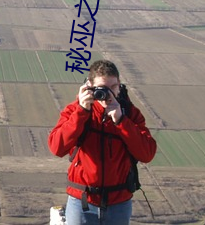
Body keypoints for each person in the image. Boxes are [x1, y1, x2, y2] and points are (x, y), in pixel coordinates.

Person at [48, 60, 157, 225]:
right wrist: (82, 112)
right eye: (102, 88)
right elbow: (57, 147)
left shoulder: (130, 114)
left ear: (119, 85)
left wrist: (121, 121)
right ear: (89, 85)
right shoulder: (76, 110)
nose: (108, 94)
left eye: (113, 87)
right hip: (82, 200)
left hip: (118, 202)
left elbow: (147, 153)